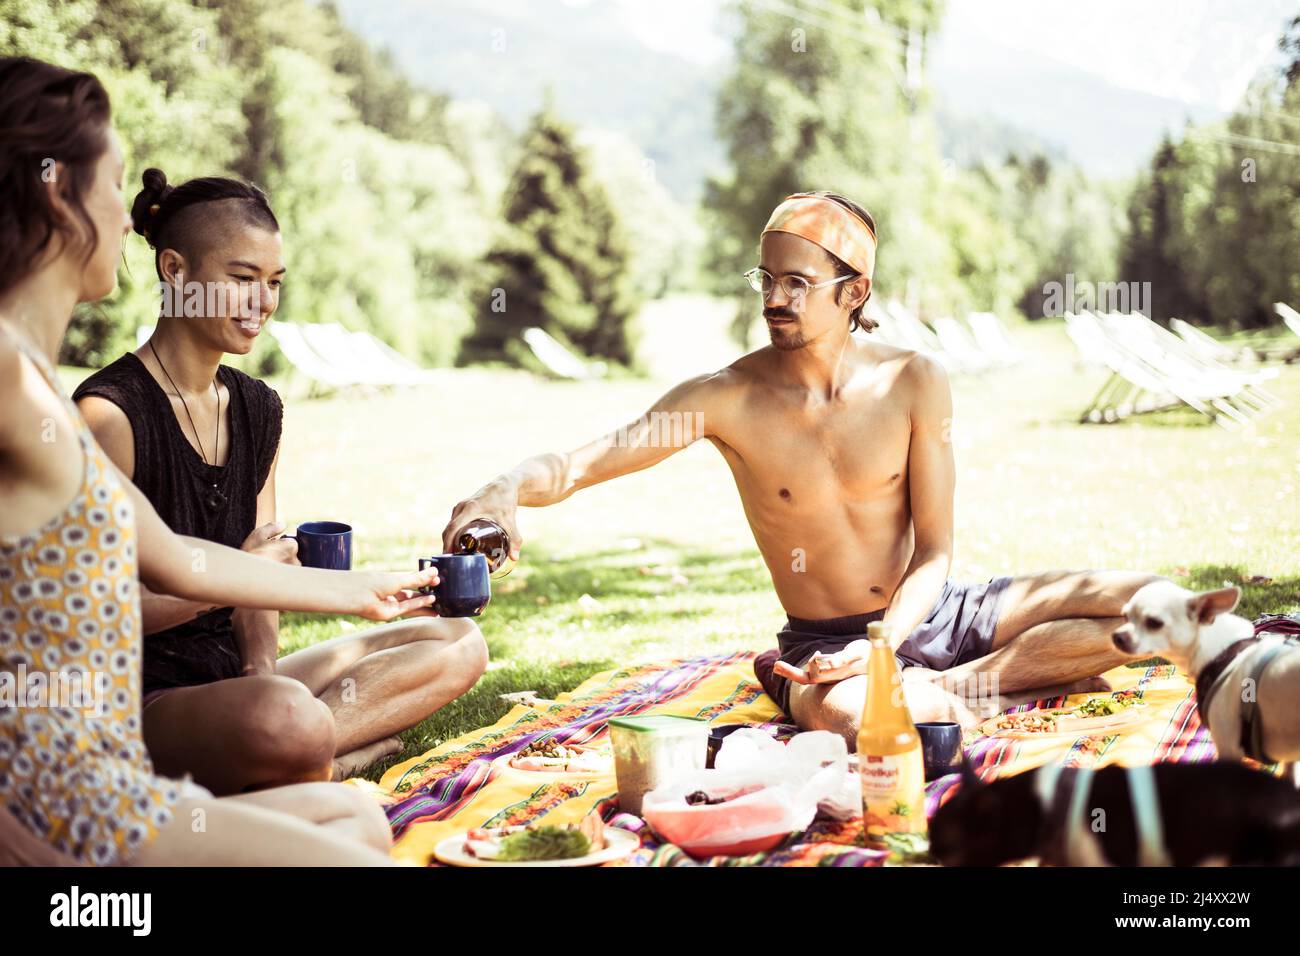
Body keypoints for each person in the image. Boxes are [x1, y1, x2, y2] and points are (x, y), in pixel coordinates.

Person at [442, 190, 1160, 746]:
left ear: (853, 294)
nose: (774, 299)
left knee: (1157, 605)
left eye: (797, 282)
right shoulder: (723, 398)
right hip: (822, 646)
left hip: (933, 611)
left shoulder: (915, 380)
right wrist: (502, 490)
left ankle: (965, 680)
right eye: (767, 279)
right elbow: (581, 464)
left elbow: (937, 549)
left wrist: (887, 644)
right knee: (866, 726)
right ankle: (940, 688)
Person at [0, 55, 433, 864]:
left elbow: (186, 564)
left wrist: (359, 591)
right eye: (114, 183)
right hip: (69, 823)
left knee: (361, 825)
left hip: (119, 789)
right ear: (59, 191)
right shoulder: (17, 381)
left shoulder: (38, 393)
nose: (131, 217)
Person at [73, 168, 488, 793]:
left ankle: (290, 755)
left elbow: (260, 585)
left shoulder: (258, 407)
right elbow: (87, 620)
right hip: (142, 698)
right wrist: (231, 579)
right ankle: (319, 758)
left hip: (236, 688)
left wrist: (258, 669)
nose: (261, 303)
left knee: (457, 643)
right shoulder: (110, 415)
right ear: (175, 271)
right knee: (284, 717)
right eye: (241, 279)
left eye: (272, 283)